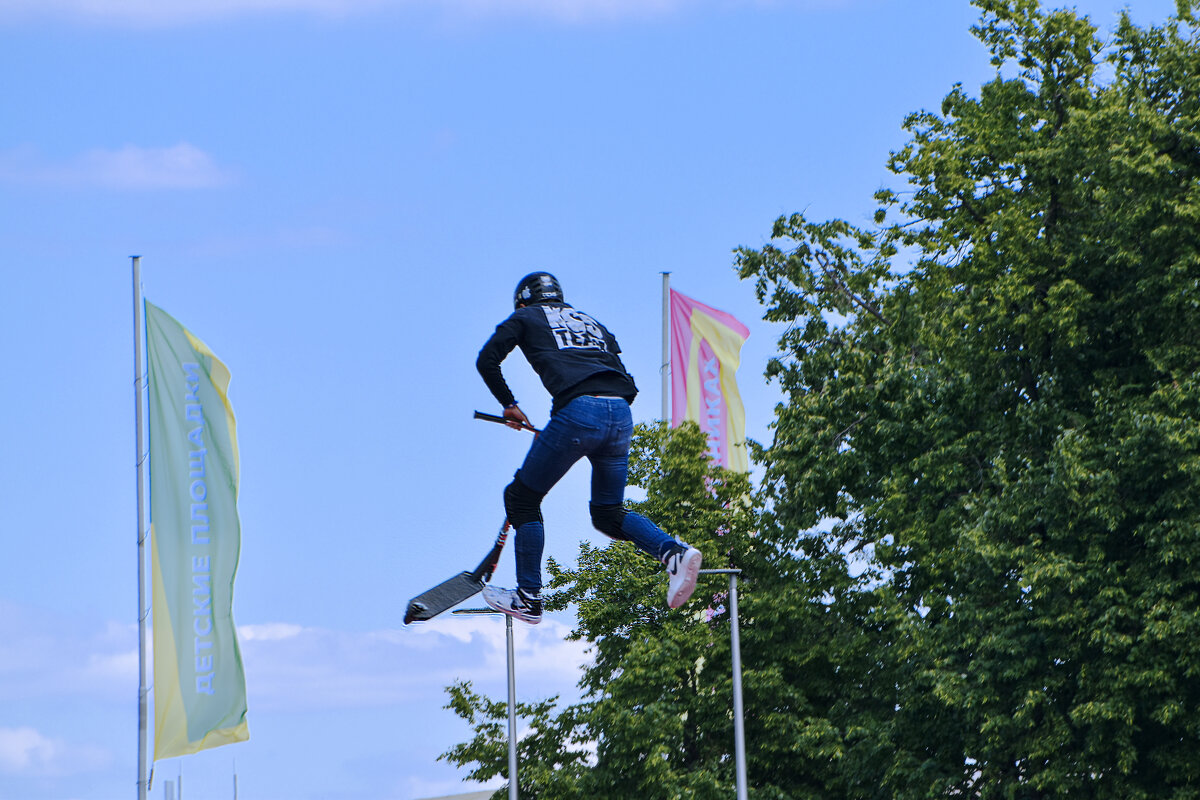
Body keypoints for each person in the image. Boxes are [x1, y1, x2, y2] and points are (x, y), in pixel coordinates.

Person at [475, 272, 703, 624]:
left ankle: (528, 597)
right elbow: (610, 368)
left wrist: (509, 404)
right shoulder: (591, 322)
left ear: (523, 301)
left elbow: (487, 360)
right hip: (620, 413)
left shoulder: (525, 316)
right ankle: (673, 552)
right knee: (608, 513)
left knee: (521, 499)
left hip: (579, 413)